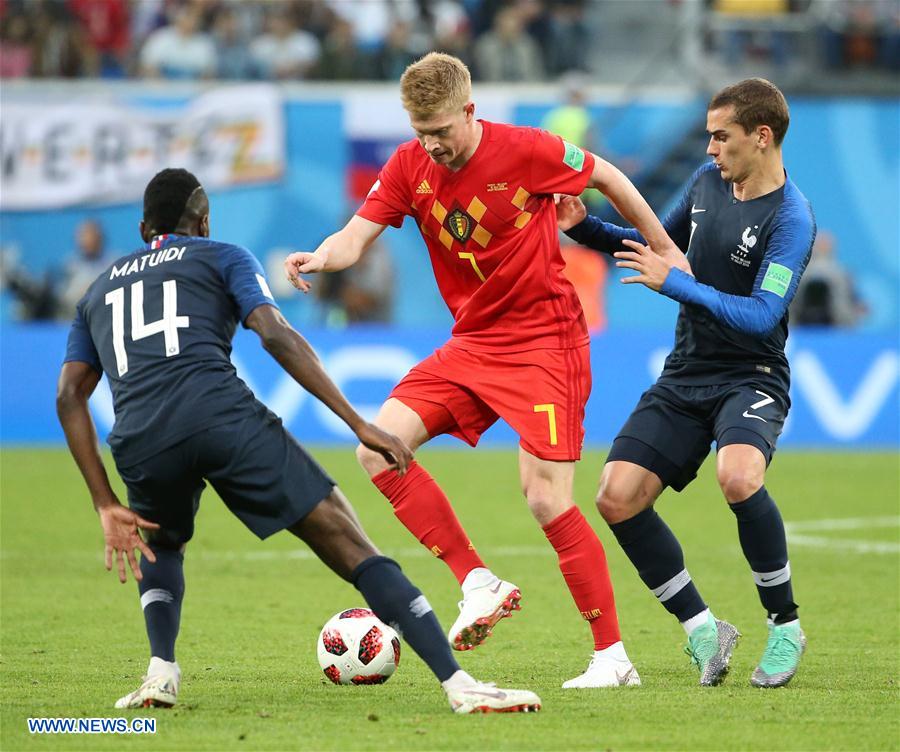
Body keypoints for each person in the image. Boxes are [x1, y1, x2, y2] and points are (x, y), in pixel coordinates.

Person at [56, 167, 541, 715]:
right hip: (221, 418)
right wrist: (359, 423)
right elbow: (274, 334)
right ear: (204, 220)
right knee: (351, 542)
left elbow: (71, 395)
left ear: (145, 227)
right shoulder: (222, 255)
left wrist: (103, 502)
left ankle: (160, 673)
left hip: (140, 438)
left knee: (162, 543)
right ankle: (460, 686)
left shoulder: (98, 288)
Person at [284, 53, 682, 689]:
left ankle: (613, 658)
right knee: (378, 448)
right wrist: (321, 257)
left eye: (441, 130)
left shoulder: (526, 151)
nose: (432, 145)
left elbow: (607, 176)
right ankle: (478, 580)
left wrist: (664, 249)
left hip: (547, 344)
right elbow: (356, 236)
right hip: (473, 343)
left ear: (470, 111)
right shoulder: (410, 164)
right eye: (420, 132)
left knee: (546, 499)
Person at [556, 78, 815, 688]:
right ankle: (702, 628)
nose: (709, 149)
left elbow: (761, 317)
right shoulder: (705, 185)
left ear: (761, 137)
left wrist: (675, 283)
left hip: (750, 374)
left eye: (720, 137)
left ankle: (784, 627)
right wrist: (584, 227)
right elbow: (657, 245)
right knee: (615, 496)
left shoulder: (792, 218)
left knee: (739, 475)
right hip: (686, 372)